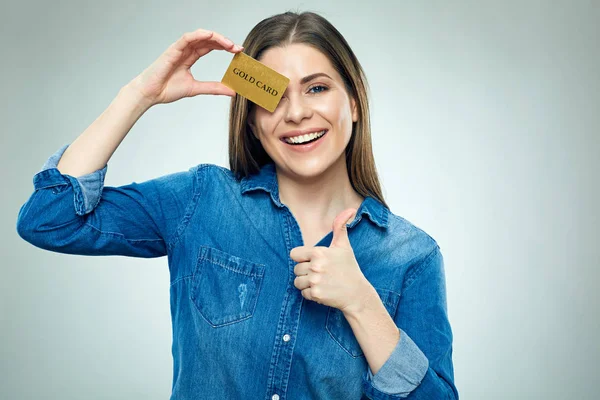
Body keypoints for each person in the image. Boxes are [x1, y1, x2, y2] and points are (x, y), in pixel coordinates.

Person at [16, 10, 459, 400]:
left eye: (318, 88)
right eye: (276, 96)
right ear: (252, 119)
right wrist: (140, 95)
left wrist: (362, 304)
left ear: (355, 103)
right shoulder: (201, 200)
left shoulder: (411, 257)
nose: (297, 113)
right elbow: (48, 218)